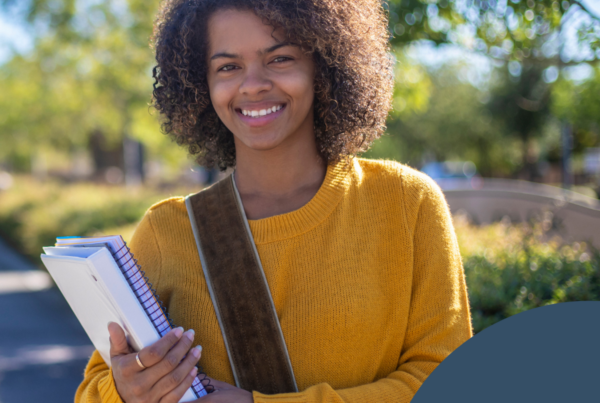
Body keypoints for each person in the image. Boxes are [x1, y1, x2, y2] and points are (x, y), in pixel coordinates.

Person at [75, 0, 472, 402]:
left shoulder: (407, 203)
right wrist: (125, 390)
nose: (252, 85)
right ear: (200, 84)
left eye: (280, 58)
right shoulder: (167, 231)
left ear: (325, 66)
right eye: (227, 67)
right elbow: (93, 389)